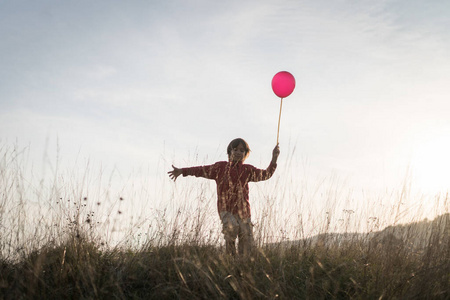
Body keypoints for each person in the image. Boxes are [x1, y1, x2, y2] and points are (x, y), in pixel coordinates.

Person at [168, 138, 280, 256]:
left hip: (244, 211)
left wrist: (274, 158)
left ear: (245, 154)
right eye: (235, 149)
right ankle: (230, 258)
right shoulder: (220, 167)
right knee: (231, 228)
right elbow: (200, 170)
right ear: (229, 152)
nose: (238, 152)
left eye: (242, 150)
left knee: (246, 238)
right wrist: (182, 171)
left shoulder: (248, 170)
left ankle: (243, 265)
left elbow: (266, 174)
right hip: (226, 210)